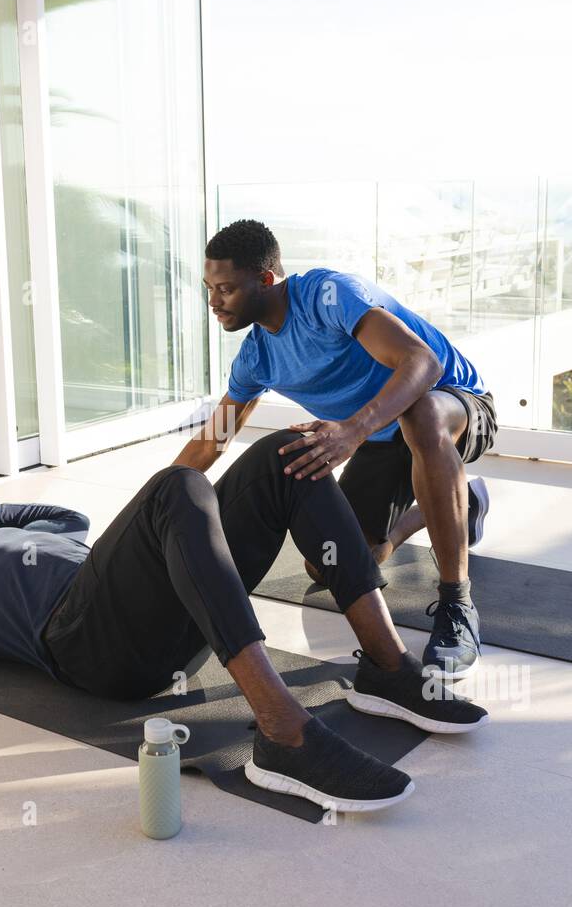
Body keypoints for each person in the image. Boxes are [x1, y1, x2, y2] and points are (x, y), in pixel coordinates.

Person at [0, 437, 488, 818]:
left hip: (143, 604)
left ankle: (386, 668)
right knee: (176, 485)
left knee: (285, 455)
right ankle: (283, 736)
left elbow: (67, 520)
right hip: (84, 643)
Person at [173, 219, 498, 680]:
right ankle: (460, 505)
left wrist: (351, 431)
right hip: (379, 436)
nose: (213, 303)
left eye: (224, 289)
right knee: (330, 566)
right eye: (209, 288)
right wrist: (152, 505)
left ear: (266, 279)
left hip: (454, 406)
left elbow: (422, 362)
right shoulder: (255, 357)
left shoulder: (326, 297)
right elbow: (214, 438)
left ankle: (457, 604)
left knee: (419, 414)